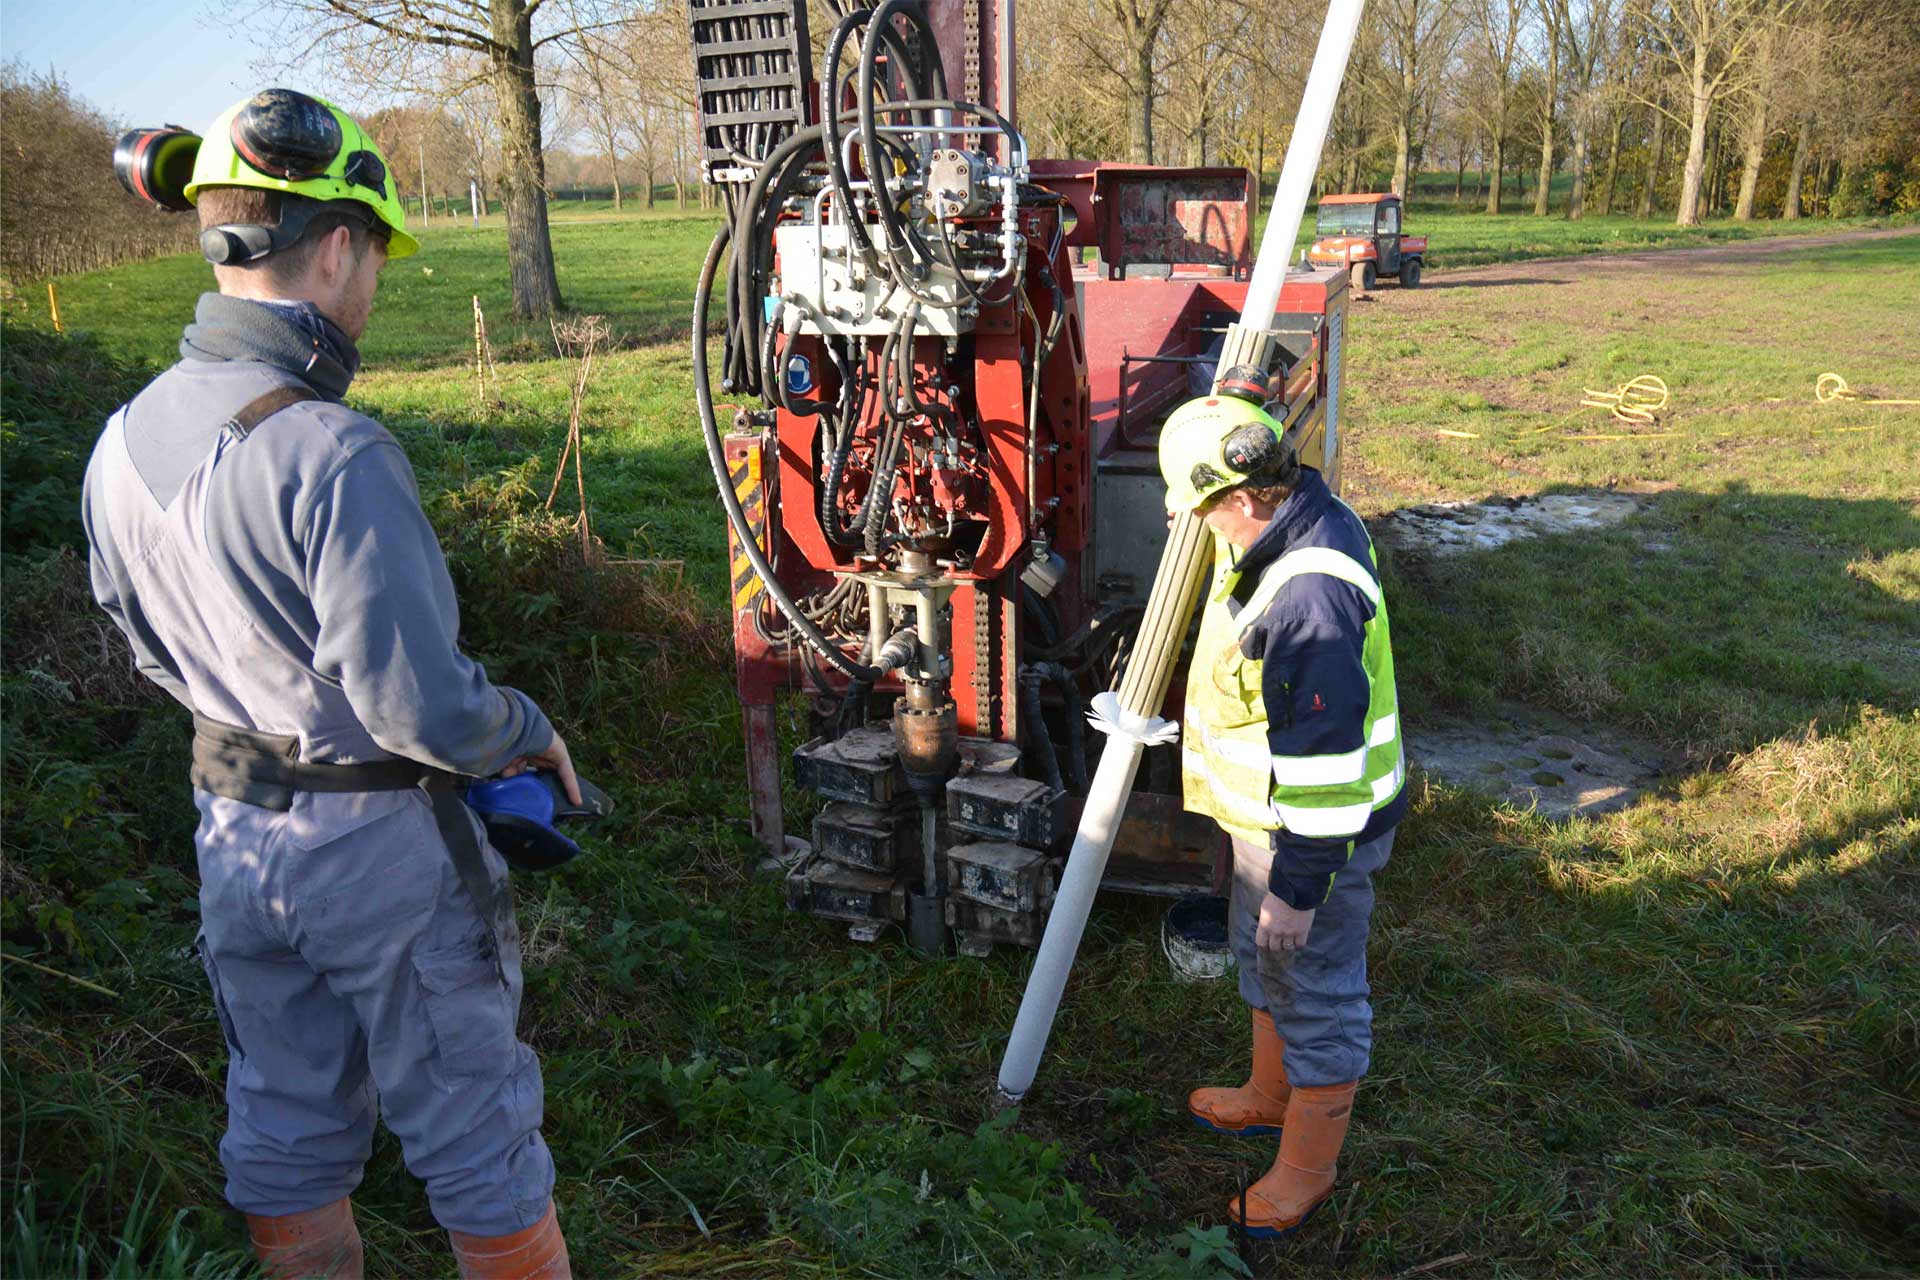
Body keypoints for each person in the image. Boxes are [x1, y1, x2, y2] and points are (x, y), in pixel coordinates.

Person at [82, 89, 578, 1280]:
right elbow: (424, 709)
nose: (375, 289)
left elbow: (142, 642)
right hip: (376, 843)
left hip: (233, 821)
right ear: (339, 245)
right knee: (477, 1133)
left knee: (285, 1119)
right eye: (377, 260)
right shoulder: (333, 450)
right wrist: (524, 725)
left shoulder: (122, 439)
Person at [1158, 394, 1407, 1239]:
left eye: (1196, 509)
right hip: (1270, 823)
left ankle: (1307, 1170)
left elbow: (1327, 766)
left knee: (1315, 985)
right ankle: (1270, 1095)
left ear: (1240, 496)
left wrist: (1299, 891)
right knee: (1260, 957)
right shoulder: (1291, 514)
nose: (1187, 522)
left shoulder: (1309, 601)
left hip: (1314, 841)